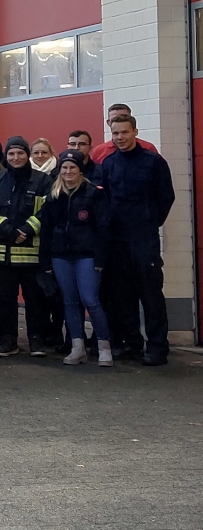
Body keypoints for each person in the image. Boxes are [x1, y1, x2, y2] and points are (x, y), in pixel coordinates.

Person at [97, 114, 174, 366]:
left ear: (135, 132)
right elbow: (105, 199)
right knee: (122, 296)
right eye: (115, 133)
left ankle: (157, 348)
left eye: (124, 132)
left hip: (143, 240)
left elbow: (166, 198)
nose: (120, 137)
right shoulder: (108, 164)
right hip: (117, 241)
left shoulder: (153, 162)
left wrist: (150, 222)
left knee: (151, 296)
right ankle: (131, 344)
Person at [0, 136, 51, 357]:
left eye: (20, 153)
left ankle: (36, 342)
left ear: (27, 155)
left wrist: (27, 230)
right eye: (11, 154)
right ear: (6, 156)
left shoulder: (42, 180)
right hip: (2, 254)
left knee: (35, 301)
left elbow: (47, 210)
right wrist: (9, 230)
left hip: (32, 253)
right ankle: (8, 341)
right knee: (4, 301)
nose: (16, 157)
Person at [42, 150, 113, 367]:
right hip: (61, 256)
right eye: (64, 167)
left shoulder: (94, 193)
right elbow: (46, 230)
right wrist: (45, 261)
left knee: (90, 299)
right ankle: (77, 348)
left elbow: (103, 229)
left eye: (72, 167)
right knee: (69, 302)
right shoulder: (53, 196)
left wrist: (100, 259)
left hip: (87, 256)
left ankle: (104, 347)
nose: (68, 171)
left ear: (80, 170)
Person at [90, 103, 159, 163]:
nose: (119, 121)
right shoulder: (99, 151)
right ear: (108, 123)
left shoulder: (148, 148)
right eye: (114, 119)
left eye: (124, 117)